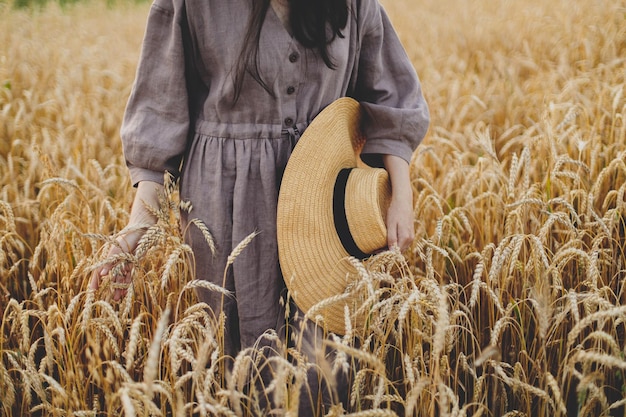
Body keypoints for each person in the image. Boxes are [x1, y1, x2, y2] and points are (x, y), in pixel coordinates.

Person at [90, 0, 429, 410]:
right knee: (234, 364)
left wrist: (402, 195)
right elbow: (160, 120)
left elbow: (391, 96)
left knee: (321, 368)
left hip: (326, 204)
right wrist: (133, 236)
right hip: (223, 213)